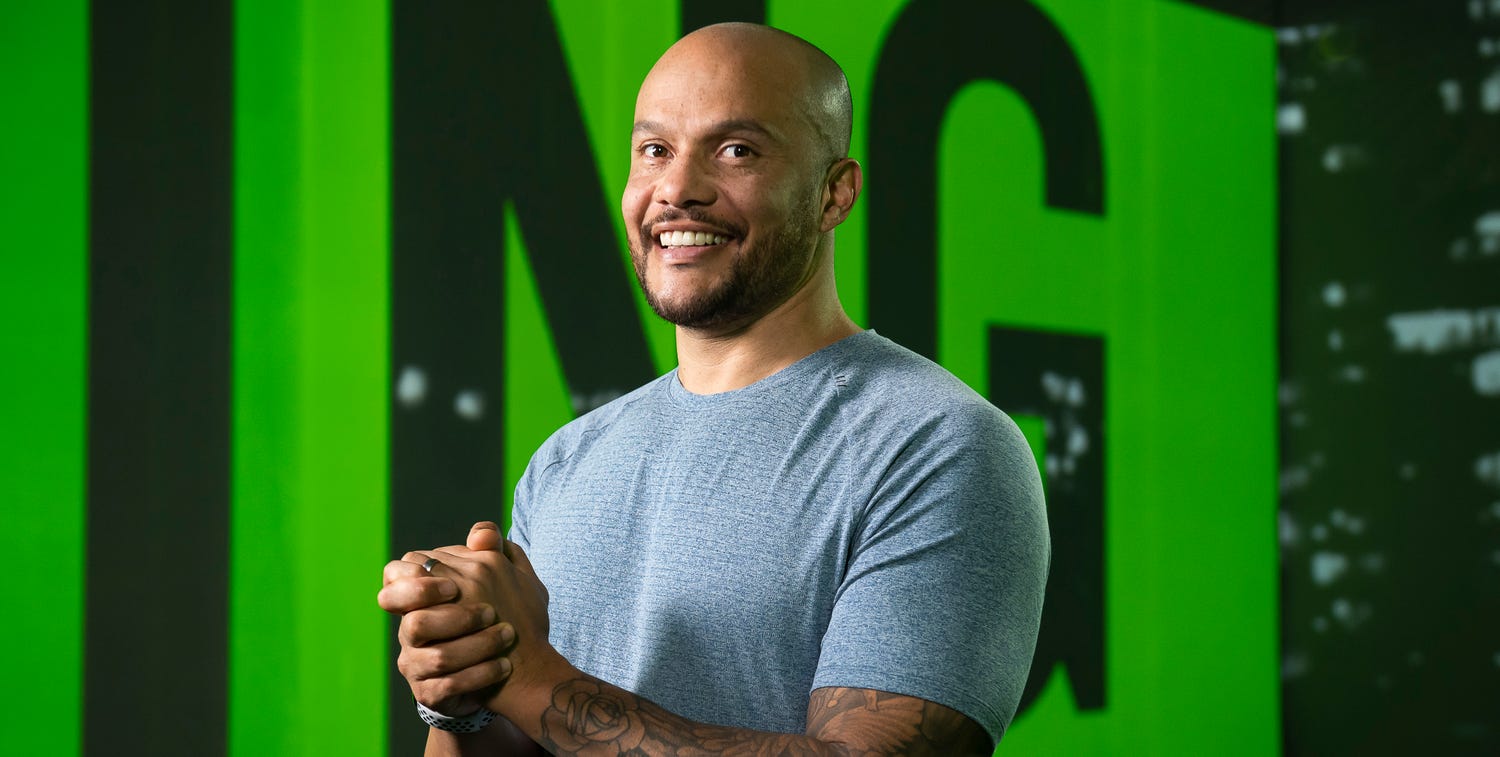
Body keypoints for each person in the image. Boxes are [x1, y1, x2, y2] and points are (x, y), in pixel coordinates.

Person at [378, 22, 1049, 756]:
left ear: (834, 193)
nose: (677, 189)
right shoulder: (568, 460)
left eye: (736, 151)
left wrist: (534, 678)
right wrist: (465, 686)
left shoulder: (940, 446)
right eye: (655, 150)